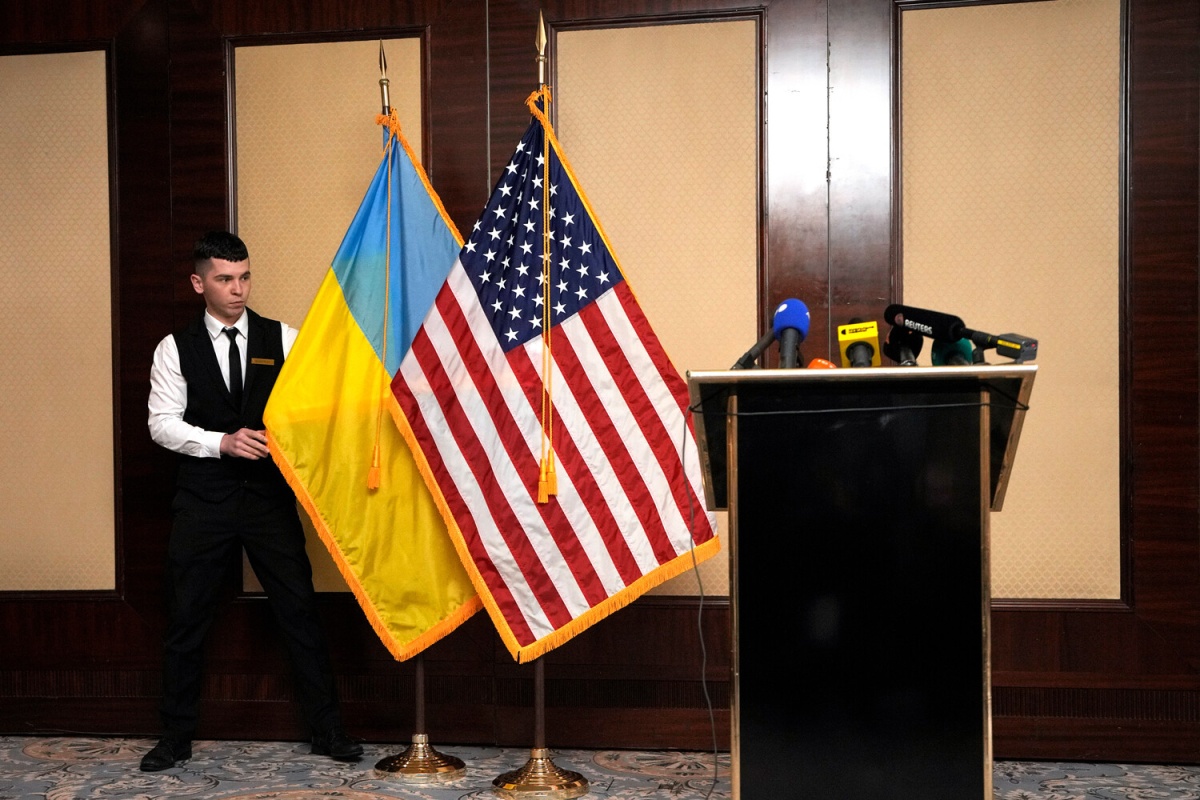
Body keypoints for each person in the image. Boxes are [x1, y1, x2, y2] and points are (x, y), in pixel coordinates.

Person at [142, 231, 362, 772]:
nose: (237, 289)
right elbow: (161, 424)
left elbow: (322, 398)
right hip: (204, 501)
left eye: (244, 277)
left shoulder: (284, 338)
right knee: (187, 617)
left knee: (299, 612)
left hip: (267, 499)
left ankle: (329, 730)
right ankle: (174, 737)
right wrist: (221, 442)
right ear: (199, 284)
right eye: (224, 279)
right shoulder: (174, 349)